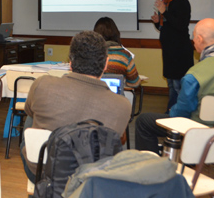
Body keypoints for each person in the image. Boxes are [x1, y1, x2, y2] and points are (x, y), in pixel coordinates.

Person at [21, 31, 132, 180]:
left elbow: (29, 112)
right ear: (106, 64)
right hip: (90, 179)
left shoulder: (42, 83)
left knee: (32, 115)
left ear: (70, 62)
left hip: (42, 172)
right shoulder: (123, 105)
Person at [135, 18, 214, 154]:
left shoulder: (194, 74)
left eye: (194, 37)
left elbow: (181, 114)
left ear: (199, 39)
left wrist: (172, 110)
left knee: (143, 121)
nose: (193, 41)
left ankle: (152, 165)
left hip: (200, 133)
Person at [151, 0, 194, 112]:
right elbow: (166, 27)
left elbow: (180, 25)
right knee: (171, 85)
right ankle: (171, 112)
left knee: (178, 85)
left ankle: (178, 114)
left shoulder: (182, 1)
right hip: (169, 50)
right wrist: (157, 22)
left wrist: (164, 12)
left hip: (180, 51)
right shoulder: (166, 1)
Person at [93, 17, 140, 87]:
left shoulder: (89, 53)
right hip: (116, 92)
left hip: (92, 92)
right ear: (116, 33)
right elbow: (134, 83)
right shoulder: (124, 55)